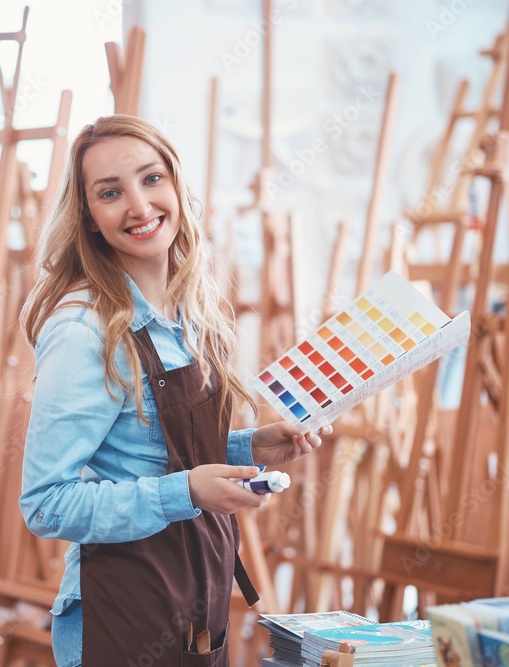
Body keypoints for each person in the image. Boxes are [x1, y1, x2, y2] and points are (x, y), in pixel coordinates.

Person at [18, 115, 330, 666]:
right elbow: (46, 504)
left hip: (191, 601)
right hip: (121, 610)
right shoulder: (83, 328)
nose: (139, 206)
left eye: (151, 179)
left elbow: (152, 450)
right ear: (88, 217)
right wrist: (185, 492)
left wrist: (249, 447)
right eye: (111, 192)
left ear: (176, 186)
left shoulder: (185, 312)